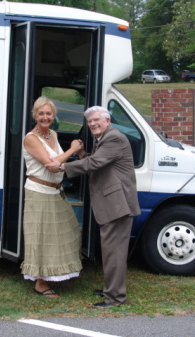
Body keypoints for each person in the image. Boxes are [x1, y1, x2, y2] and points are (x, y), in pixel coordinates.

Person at [46, 105, 140, 307]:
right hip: (114, 205)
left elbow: (95, 164)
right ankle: (111, 290)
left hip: (118, 205)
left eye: (97, 120)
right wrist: (81, 155)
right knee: (110, 251)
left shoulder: (114, 139)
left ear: (107, 120)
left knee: (114, 253)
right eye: (90, 122)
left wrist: (62, 166)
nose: (93, 124)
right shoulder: (105, 139)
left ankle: (116, 298)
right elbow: (96, 164)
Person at [21, 96, 83, 298]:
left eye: (48, 113)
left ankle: (53, 273)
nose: (45, 117)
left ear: (53, 116)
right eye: (41, 114)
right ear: (35, 116)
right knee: (41, 238)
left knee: (67, 230)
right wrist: (73, 149)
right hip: (38, 192)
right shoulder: (31, 138)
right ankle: (40, 283)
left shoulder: (53, 134)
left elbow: (58, 163)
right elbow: (51, 163)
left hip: (56, 190)